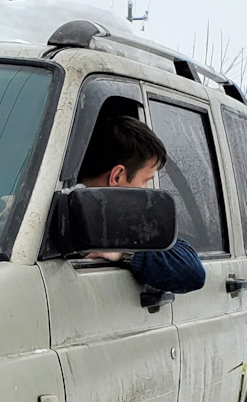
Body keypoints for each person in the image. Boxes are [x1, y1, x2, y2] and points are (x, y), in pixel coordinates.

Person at [75, 114, 206, 295]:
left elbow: (190, 270)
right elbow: (192, 273)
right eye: (146, 181)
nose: (147, 191)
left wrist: (125, 253)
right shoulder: (68, 218)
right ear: (117, 176)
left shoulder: (39, 208)